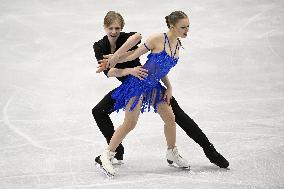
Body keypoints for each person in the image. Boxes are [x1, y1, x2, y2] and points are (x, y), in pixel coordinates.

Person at [92, 11, 229, 176]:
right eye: (183, 27)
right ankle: (106, 155)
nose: (187, 31)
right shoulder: (157, 39)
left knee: (171, 119)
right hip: (138, 84)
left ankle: (172, 152)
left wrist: (169, 87)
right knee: (130, 123)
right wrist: (113, 59)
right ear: (172, 26)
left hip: (154, 87)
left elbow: (160, 68)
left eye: (188, 27)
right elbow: (133, 55)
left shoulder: (177, 44)